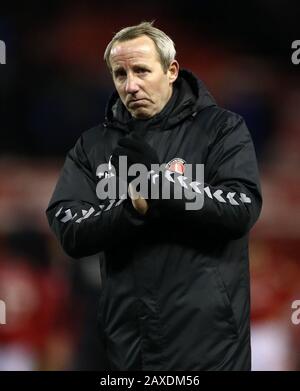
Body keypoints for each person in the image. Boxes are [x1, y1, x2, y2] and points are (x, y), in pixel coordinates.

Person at [46, 21, 262, 370]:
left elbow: (241, 209)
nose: (130, 85)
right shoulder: (93, 147)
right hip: (127, 348)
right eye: (120, 74)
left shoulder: (222, 129)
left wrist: (160, 184)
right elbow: (69, 228)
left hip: (210, 348)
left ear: (171, 70)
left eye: (142, 71)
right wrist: (132, 207)